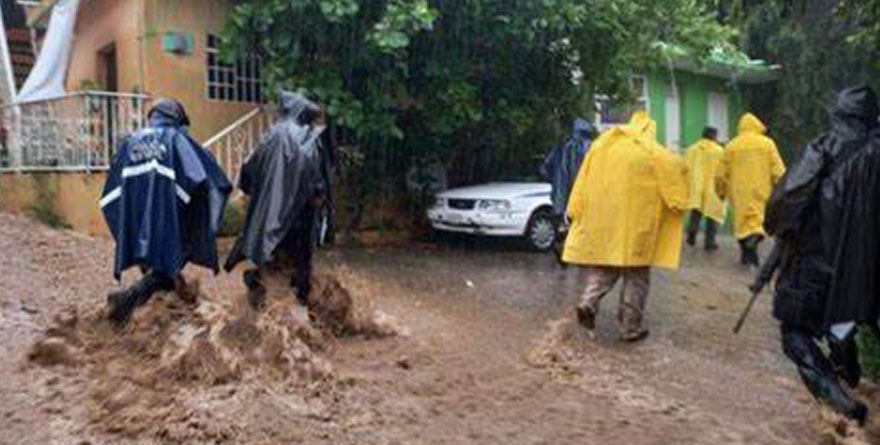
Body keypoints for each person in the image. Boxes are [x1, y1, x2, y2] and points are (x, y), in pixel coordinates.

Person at [765, 85, 880, 424]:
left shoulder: (824, 148)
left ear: (838, 114)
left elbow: (786, 200)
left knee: (794, 332)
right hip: (868, 272)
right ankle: (850, 378)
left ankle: (838, 398)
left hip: (815, 264)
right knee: (842, 323)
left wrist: (780, 230)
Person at [100, 98, 232, 325]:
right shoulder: (176, 139)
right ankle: (122, 305)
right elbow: (208, 179)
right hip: (166, 224)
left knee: (162, 277)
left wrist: (129, 229)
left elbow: (110, 195)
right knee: (164, 275)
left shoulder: (130, 143)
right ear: (177, 119)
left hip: (136, 225)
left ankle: (152, 322)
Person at [564, 111, 690, 342]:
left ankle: (588, 302)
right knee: (637, 275)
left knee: (606, 267)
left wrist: (573, 209)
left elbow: (582, 178)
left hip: (605, 221)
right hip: (638, 224)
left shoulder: (602, 145)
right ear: (648, 129)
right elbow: (676, 174)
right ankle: (630, 328)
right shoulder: (652, 151)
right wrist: (681, 200)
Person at [224, 91, 326, 308]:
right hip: (299, 219)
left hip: (266, 219)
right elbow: (317, 182)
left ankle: (262, 308)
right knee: (298, 270)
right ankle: (296, 320)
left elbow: (247, 173)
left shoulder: (269, 136)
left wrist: (257, 196)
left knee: (270, 261)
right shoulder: (310, 138)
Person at [716, 113, 786, 267]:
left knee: (741, 225)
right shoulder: (767, 144)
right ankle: (753, 244)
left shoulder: (731, 146)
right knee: (757, 223)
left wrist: (720, 192)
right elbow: (778, 170)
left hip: (738, 193)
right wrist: (782, 188)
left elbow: (720, 175)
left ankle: (746, 257)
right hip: (761, 190)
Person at [539, 118, 599, 262]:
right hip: (582, 194)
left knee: (563, 221)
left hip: (561, 194)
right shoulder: (590, 147)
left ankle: (563, 247)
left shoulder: (561, 146)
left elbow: (545, 168)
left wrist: (555, 182)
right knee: (581, 224)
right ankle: (578, 253)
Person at [685, 127, 725, 251]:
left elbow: (685, 167)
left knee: (696, 211)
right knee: (712, 216)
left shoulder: (692, 149)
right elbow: (723, 170)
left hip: (696, 185)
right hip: (712, 187)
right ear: (714, 136)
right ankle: (709, 242)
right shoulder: (719, 151)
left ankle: (692, 233)